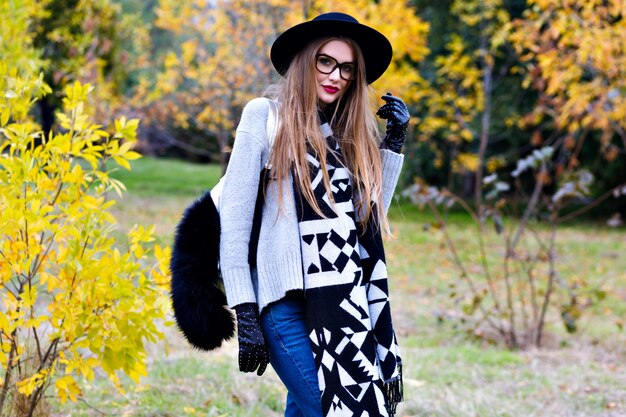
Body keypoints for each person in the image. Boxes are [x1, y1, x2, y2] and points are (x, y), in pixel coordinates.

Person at [219, 12, 409, 417]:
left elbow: (365, 222)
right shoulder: (265, 117)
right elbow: (233, 221)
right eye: (326, 61)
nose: (335, 75)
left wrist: (391, 147)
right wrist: (246, 312)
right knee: (327, 409)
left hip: (342, 306)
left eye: (347, 68)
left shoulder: (346, 138)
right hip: (283, 305)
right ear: (306, 61)